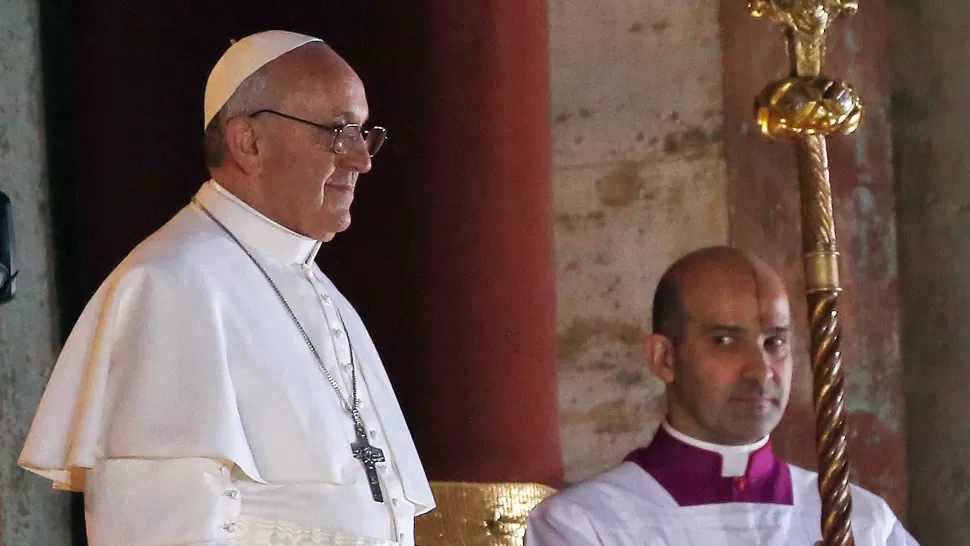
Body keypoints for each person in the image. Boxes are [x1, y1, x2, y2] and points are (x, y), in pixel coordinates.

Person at [19, 30, 434, 546]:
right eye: (336, 131)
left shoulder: (327, 298)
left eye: (362, 133)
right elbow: (155, 530)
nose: (360, 159)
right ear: (248, 143)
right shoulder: (169, 287)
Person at [525, 246, 917, 545]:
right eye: (726, 340)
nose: (761, 369)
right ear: (663, 358)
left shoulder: (863, 523)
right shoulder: (586, 525)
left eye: (775, 342)